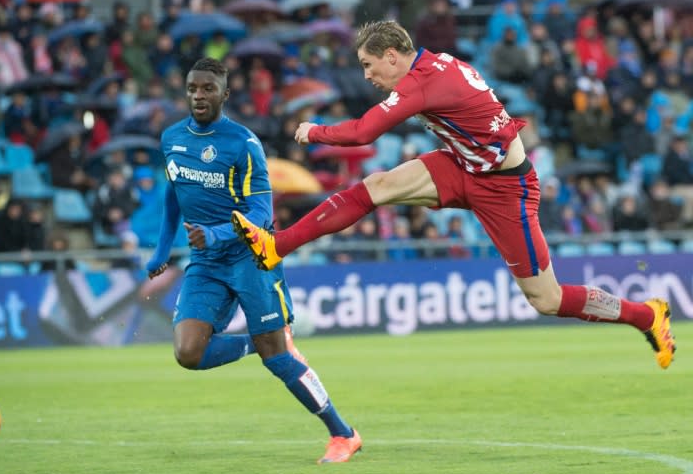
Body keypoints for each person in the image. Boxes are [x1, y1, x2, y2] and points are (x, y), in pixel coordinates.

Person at [231, 21, 676, 370]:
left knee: (547, 299)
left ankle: (646, 315)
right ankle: (275, 246)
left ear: (392, 55)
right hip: (462, 165)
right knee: (378, 186)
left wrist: (315, 130)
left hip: (507, 188)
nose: (367, 75)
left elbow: (364, 131)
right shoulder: (434, 66)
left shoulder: (424, 81)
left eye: (370, 65)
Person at [146, 58, 362, 463]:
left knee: (278, 359)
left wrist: (215, 232)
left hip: (252, 258)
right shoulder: (171, 138)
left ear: (225, 95)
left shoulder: (242, 143)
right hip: (206, 263)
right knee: (188, 353)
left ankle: (343, 434)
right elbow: (174, 194)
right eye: (193, 88)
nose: (198, 95)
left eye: (208, 89)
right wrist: (161, 251)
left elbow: (261, 215)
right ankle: (253, 345)